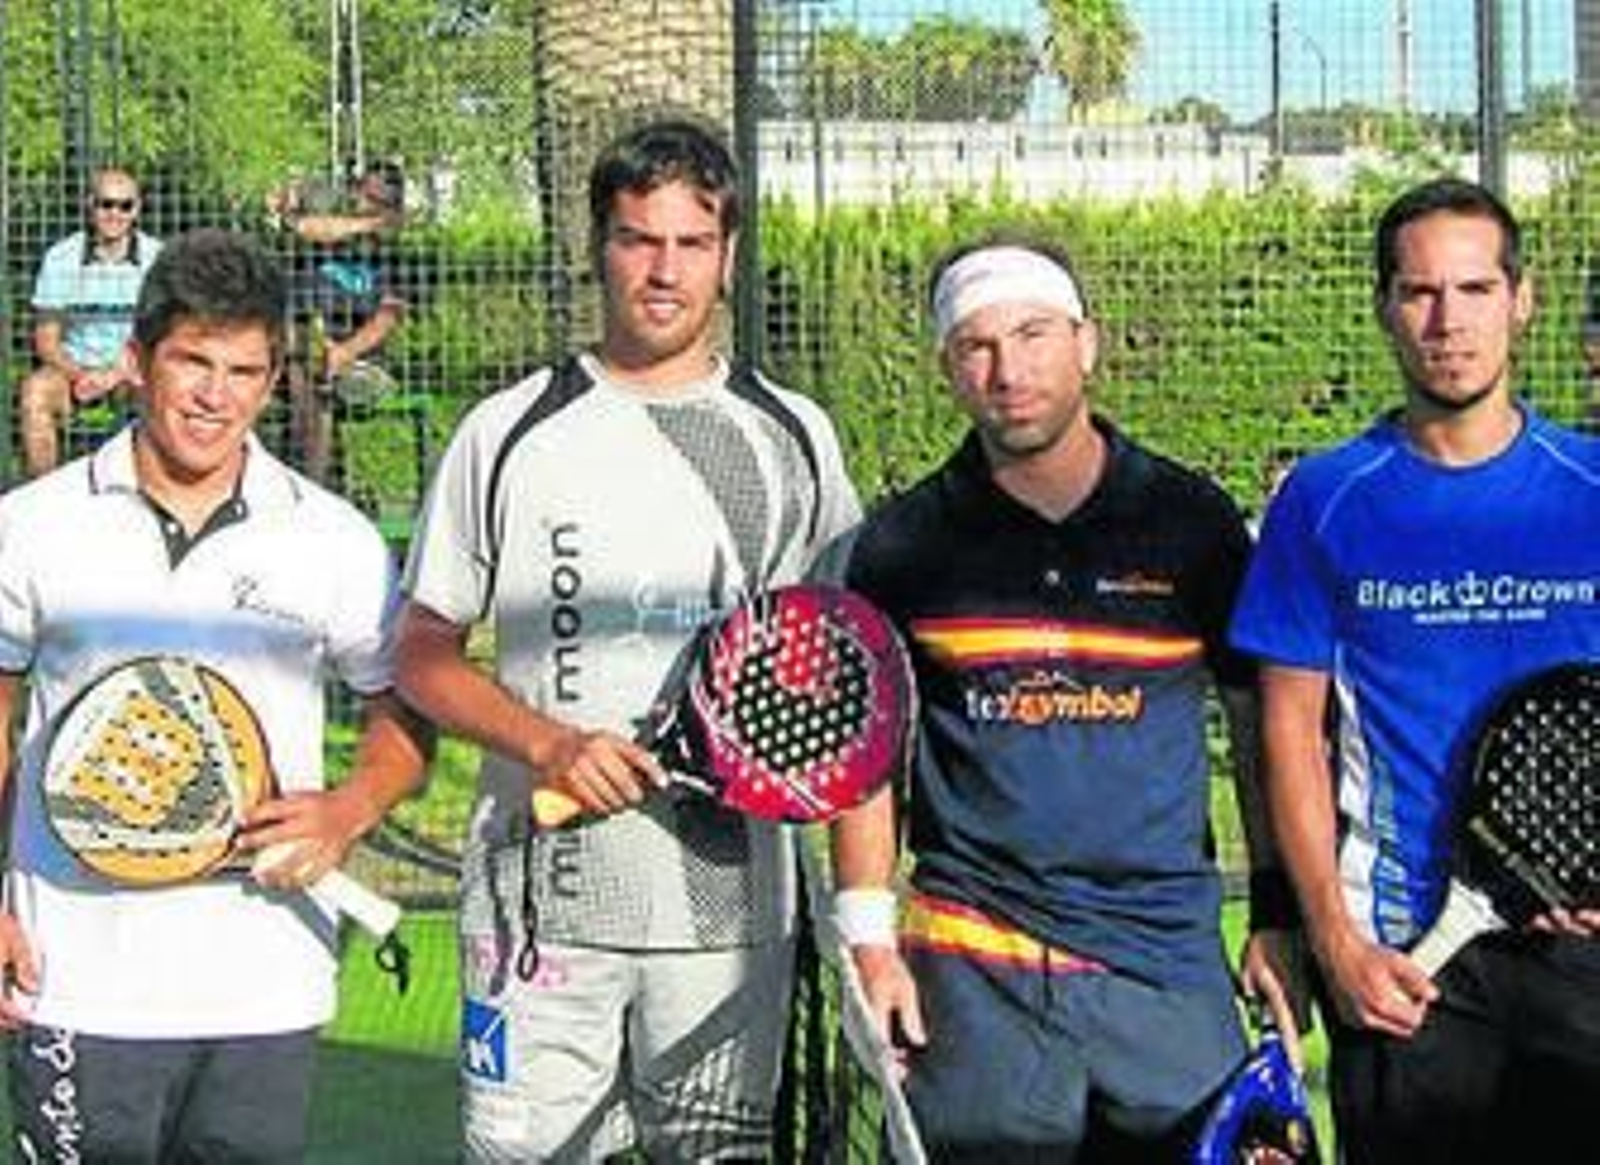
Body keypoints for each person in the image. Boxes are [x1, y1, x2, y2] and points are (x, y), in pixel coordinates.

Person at [394, 115, 860, 1160]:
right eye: (638, 239)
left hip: (731, 918)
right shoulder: (507, 431)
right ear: (598, 246)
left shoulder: (793, 437)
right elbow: (420, 653)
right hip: (532, 909)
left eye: (692, 244)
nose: (663, 271)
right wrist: (548, 745)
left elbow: (841, 658)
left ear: (728, 256)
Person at [823, 236, 1296, 1160]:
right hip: (973, 966)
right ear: (948, 370)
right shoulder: (900, 544)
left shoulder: (1191, 520)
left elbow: (1257, 731)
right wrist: (869, 943)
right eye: (978, 346)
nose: (1009, 369)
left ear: (1088, 343)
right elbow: (866, 762)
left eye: (1034, 334)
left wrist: (1279, 915)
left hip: (1166, 964)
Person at [0, 227, 432, 1162]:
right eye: (192, 362)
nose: (214, 396)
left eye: (243, 371)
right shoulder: (30, 527)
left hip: (263, 983)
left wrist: (347, 810)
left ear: (273, 380)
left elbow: (405, 708)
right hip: (75, 976)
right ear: (136, 361)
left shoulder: (335, 540)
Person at [1229, 177, 1600, 1162]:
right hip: (1402, 966)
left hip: (1584, 965)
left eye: (1475, 290)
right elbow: (1285, 738)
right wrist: (1334, 944)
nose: (1448, 321)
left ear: (1521, 301)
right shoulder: (1323, 500)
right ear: (1384, 307)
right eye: (1420, 292)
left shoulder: (1590, 490)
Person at [268, 159, 408, 484]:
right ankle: (320, 485)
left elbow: (388, 317)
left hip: (360, 363)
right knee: (308, 372)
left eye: (377, 201)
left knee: (318, 389)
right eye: (362, 193)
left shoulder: (394, 258)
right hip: (304, 353)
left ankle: (311, 485)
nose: (364, 204)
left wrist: (346, 351)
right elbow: (304, 227)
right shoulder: (325, 234)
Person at [17, 166, 162, 479]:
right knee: (34, 392)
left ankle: (152, 493)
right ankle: (42, 499)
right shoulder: (61, 256)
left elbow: (163, 334)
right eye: (106, 204)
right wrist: (81, 375)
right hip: (74, 371)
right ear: (90, 205)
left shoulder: (156, 258)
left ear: (137, 209)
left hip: (135, 370)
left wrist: (118, 373)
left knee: (162, 395)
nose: (115, 213)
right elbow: (46, 338)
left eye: (125, 205)